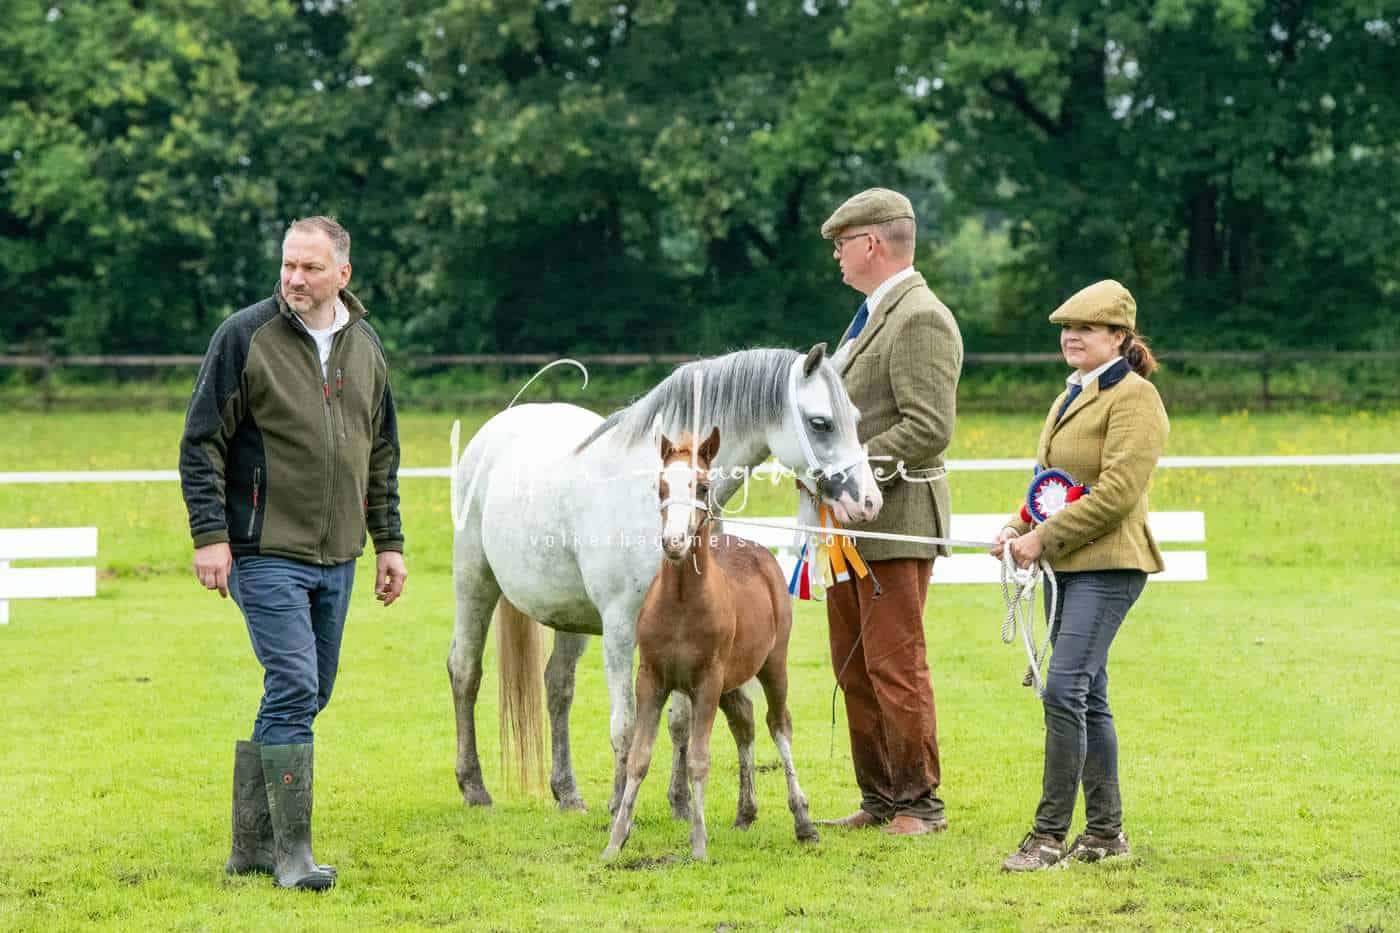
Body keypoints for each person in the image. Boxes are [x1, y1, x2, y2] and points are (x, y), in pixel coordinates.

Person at [179, 216, 407, 890]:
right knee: (296, 684)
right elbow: (201, 443)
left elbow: (382, 452)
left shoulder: (366, 346)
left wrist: (389, 543)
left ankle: (250, 846)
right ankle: (293, 856)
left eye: (310, 267)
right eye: (288, 265)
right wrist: (210, 535)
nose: (295, 278)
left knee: (310, 690)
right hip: (262, 547)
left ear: (343, 273)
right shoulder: (244, 336)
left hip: (339, 553)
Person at [991, 279, 1168, 871]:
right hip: (1066, 566)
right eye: (1067, 328)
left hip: (1110, 564)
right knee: (1087, 696)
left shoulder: (1136, 399)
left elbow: (1117, 492)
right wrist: (1016, 527)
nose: (1071, 336)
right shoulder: (1070, 393)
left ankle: (1047, 837)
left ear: (1118, 337)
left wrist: (1043, 538)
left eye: (1086, 328)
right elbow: (1051, 487)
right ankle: (1105, 834)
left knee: (1064, 689)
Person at [816, 188, 963, 836]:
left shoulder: (920, 317)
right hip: (848, 525)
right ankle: (879, 797)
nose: (837, 255)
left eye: (842, 244)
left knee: (894, 666)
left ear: (872, 244)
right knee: (853, 665)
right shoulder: (869, 316)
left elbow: (928, 426)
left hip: (897, 519)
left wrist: (845, 468)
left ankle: (919, 802)